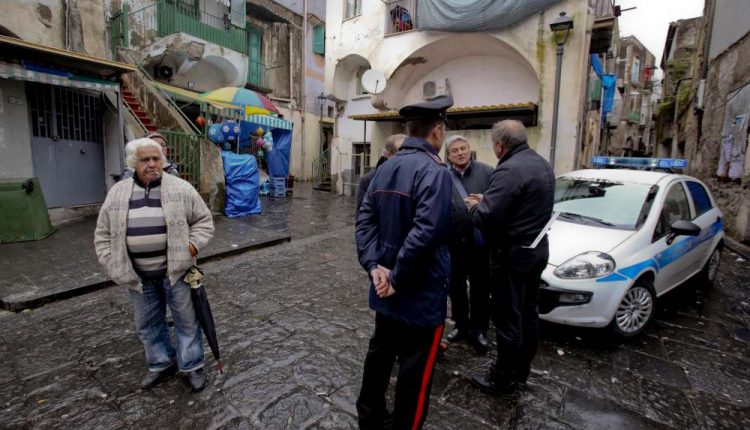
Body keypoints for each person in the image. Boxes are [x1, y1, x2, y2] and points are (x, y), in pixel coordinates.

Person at [355, 96, 454, 430]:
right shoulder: (435, 171)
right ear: (437, 131)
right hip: (419, 293)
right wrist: (395, 276)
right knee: (414, 372)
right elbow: (427, 231)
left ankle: (369, 420)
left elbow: (364, 222)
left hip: (385, 288)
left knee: (380, 355)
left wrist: (374, 268)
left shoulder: (385, 169)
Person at [95, 138, 214, 392]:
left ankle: (192, 365)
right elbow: (102, 234)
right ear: (133, 164)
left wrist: (191, 248)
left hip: (178, 273)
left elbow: (204, 221)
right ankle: (162, 363)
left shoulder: (180, 188)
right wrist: (112, 263)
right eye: (144, 160)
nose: (151, 164)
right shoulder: (118, 193)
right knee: (147, 325)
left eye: (156, 159)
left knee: (187, 321)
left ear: (163, 160)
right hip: (138, 276)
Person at [464, 120, 554, 395]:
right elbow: (519, 205)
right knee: (529, 312)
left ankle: (502, 378)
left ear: (499, 145)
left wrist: (473, 207)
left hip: (512, 255)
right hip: (536, 250)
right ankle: (520, 373)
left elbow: (488, 217)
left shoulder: (509, 169)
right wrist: (489, 200)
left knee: (507, 318)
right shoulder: (540, 163)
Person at [443, 135, 494, 353]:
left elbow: (497, 201)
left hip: (480, 242)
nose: (460, 153)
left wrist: (484, 200)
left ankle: (479, 329)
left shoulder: (487, 171)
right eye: (455, 150)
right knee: (456, 288)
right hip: (453, 243)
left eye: (463, 148)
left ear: (469, 149)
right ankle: (461, 325)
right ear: (449, 155)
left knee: (481, 288)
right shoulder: (443, 176)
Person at [356, 134, 407, 212]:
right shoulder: (368, 180)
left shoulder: (417, 178)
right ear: (388, 155)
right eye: (401, 153)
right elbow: (362, 216)